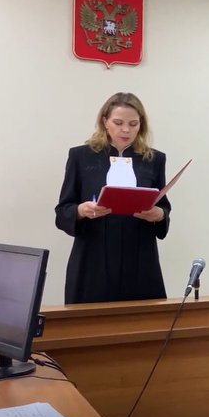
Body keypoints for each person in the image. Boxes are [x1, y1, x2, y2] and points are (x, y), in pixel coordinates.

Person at [55, 92, 171, 304]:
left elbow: (163, 208)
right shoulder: (81, 156)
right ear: (105, 122)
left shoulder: (153, 159)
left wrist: (159, 215)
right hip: (93, 258)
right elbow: (63, 210)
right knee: (88, 327)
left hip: (139, 259)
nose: (126, 130)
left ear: (141, 125)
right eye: (118, 122)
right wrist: (81, 210)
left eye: (133, 124)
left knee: (143, 328)